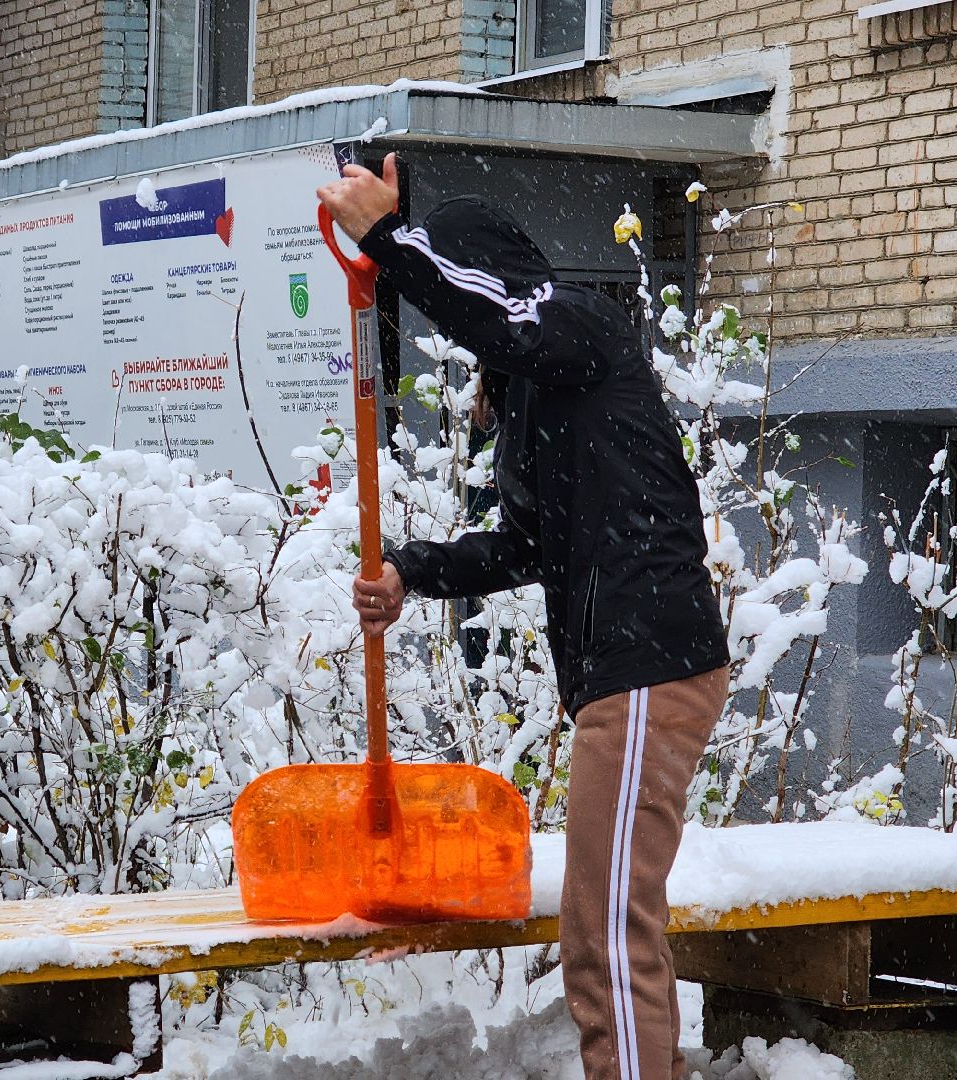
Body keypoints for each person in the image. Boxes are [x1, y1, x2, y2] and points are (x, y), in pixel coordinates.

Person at [318, 154, 731, 1080]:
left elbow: (492, 314)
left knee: (607, 935)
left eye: (456, 282)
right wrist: (409, 570)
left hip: (646, 665)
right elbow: (524, 545)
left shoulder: (576, 328)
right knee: (605, 930)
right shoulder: (542, 388)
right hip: (627, 674)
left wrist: (389, 241)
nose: (464, 336)